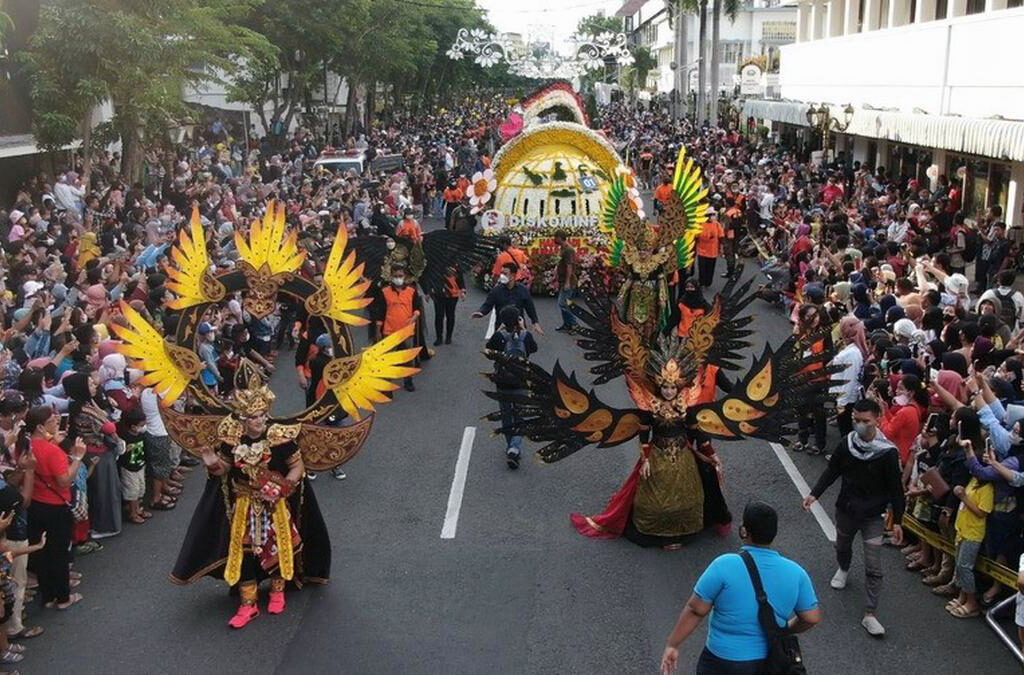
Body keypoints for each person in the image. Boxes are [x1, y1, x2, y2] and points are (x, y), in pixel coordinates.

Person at [170, 364, 330, 629]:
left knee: (277, 547)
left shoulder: (280, 437)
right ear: (244, 418)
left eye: (263, 414)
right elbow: (223, 469)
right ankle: (248, 603)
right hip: (243, 505)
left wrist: (283, 488)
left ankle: (278, 591)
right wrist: (211, 462)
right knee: (243, 553)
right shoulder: (231, 439)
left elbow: (296, 466)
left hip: (275, 503)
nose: (261, 420)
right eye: (255, 416)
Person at [660, 502, 821, 674]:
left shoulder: (724, 565)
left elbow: (695, 610)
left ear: (744, 531)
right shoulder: (796, 573)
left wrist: (673, 644)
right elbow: (811, 617)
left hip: (721, 660)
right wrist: (783, 630)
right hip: (767, 662)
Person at [804, 398, 905, 637]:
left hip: (872, 516)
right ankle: (844, 567)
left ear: (878, 419)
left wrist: (898, 520)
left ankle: (870, 613)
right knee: (842, 544)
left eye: (865, 421)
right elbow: (832, 471)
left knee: (874, 564)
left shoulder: (888, 453)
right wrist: (814, 493)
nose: (860, 425)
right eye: (856, 420)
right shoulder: (847, 444)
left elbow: (895, 489)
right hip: (847, 509)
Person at [25, 406, 86, 610]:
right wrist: (77, 457)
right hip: (56, 506)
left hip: (36, 503)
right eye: (52, 420)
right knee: (58, 552)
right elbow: (64, 480)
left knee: (42, 553)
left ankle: (49, 595)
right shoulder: (52, 452)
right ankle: (63, 597)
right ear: (41, 427)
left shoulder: (27, 446)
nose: (57, 421)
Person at [485, 306, 538, 469]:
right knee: (520, 416)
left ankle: (511, 446)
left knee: (506, 415)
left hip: (502, 383)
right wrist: (523, 329)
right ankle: (515, 447)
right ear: (518, 320)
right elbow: (534, 348)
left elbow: (488, 352)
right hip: (521, 382)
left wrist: (499, 330)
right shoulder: (525, 336)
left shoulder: (499, 337)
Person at [372, 264, 422, 392]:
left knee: (407, 359)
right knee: (388, 360)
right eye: (396, 276)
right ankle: (387, 386)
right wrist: (378, 331)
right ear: (391, 277)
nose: (398, 278)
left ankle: (408, 382)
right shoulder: (384, 292)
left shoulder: (412, 291)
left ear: (404, 276)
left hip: (407, 332)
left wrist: (414, 317)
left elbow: (417, 308)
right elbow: (380, 312)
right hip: (389, 332)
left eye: (400, 276)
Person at [471, 262, 544, 336]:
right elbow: (487, 305)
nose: (502, 276)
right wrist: (481, 312)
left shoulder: (523, 290)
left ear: (513, 275)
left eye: (505, 274)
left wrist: (535, 322)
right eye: (501, 273)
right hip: (501, 328)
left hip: (518, 328)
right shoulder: (496, 290)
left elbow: (530, 308)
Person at [432, 264, 464, 346]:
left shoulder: (456, 263)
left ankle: (448, 337)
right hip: (438, 294)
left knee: (450, 315)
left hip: (452, 295)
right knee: (439, 315)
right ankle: (439, 337)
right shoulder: (437, 262)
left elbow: (460, 279)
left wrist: (463, 292)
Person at [553, 231, 578, 334]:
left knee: (563, 303)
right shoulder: (562, 248)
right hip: (562, 280)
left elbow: (569, 266)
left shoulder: (568, 250)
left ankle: (575, 325)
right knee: (565, 303)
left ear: (560, 237)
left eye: (555, 237)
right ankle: (567, 324)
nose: (554, 239)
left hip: (568, 281)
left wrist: (567, 282)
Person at [694, 208, 724, 288]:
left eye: (714, 215)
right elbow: (696, 237)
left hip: (712, 251)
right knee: (702, 267)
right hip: (702, 250)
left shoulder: (717, 224)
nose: (714, 217)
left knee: (710, 268)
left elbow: (721, 236)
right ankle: (701, 282)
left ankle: (708, 282)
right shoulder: (700, 224)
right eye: (712, 215)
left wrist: (721, 248)